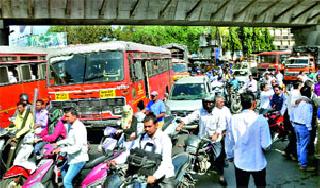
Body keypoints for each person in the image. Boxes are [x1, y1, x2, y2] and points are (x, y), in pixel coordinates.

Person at [106, 113, 174, 187]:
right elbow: (130, 152)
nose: (147, 129)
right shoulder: (142, 137)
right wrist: (116, 161)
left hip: (162, 175)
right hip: (144, 173)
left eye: (149, 126)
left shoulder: (164, 139)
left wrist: (155, 177)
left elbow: (166, 162)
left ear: (156, 125)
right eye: (145, 126)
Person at [177, 94, 227, 185]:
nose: (208, 105)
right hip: (201, 138)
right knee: (190, 151)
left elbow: (221, 125)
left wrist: (216, 133)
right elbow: (190, 117)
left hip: (214, 140)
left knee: (218, 157)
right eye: (206, 103)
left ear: (213, 103)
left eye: (210, 103)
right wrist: (182, 124)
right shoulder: (200, 111)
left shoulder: (219, 112)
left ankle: (221, 175)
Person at [226, 91, 272, 188]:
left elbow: (229, 141)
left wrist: (230, 156)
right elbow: (266, 144)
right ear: (254, 103)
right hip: (257, 162)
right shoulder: (261, 120)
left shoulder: (234, 119)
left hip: (240, 162)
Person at [53, 107, 89, 188]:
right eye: (65, 116)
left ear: (74, 116)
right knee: (62, 170)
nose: (66, 119)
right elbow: (70, 140)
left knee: (67, 181)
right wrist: (57, 143)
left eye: (67, 116)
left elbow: (77, 147)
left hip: (78, 159)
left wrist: (61, 149)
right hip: (72, 158)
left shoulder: (78, 127)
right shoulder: (73, 125)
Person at [290, 95, 315, 172]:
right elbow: (308, 117)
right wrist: (309, 128)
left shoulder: (296, 104)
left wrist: (293, 125)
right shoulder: (308, 105)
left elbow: (291, 116)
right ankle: (303, 165)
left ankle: (300, 161)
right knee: (304, 146)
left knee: (299, 144)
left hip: (296, 125)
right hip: (303, 126)